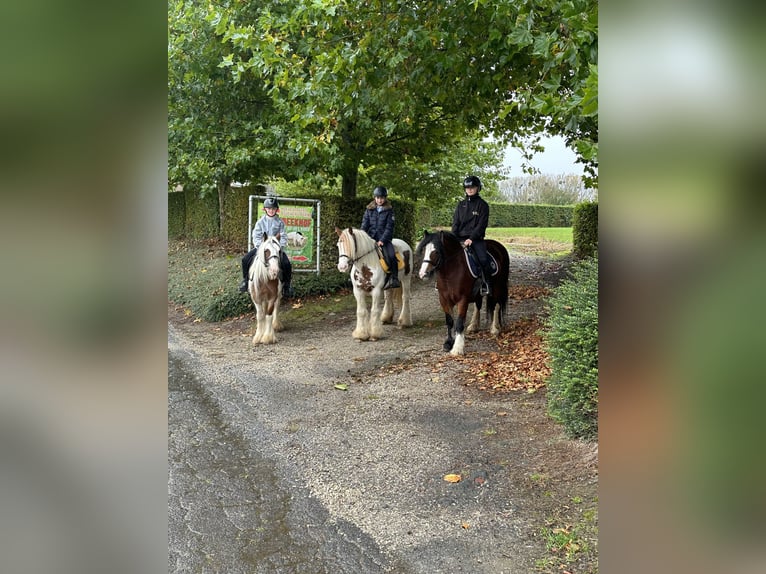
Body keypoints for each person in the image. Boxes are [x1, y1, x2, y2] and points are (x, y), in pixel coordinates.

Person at [238, 197, 294, 298]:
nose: (271, 211)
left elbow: (283, 236)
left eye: (273, 209)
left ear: (276, 210)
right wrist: (261, 247)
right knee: (245, 259)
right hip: (262, 249)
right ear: (265, 209)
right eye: (269, 209)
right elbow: (256, 235)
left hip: (276, 249)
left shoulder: (280, 222)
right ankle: (246, 282)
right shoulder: (260, 222)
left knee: (286, 263)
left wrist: (279, 247)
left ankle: (287, 286)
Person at [452, 175, 491, 296]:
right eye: (467, 187)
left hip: (475, 239)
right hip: (460, 238)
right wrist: (453, 237)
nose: (469, 189)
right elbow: (456, 222)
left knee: (483, 259)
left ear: (478, 188)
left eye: (472, 187)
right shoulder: (461, 205)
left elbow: (481, 225)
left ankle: (486, 284)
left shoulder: (483, 205)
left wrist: (471, 239)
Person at [361, 185, 401, 289]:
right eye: (378, 198)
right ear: (374, 198)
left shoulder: (389, 211)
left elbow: (389, 228)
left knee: (391, 256)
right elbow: (365, 225)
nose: (379, 200)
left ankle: (394, 278)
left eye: (382, 198)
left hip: (384, 239)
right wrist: (362, 237)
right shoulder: (369, 210)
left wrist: (382, 240)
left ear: (385, 198)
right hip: (371, 238)